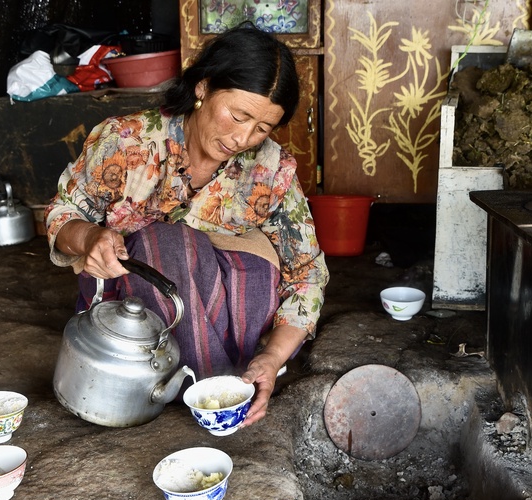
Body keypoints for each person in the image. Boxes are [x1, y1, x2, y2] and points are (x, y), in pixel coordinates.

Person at [45, 23, 329, 427]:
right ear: (203, 87)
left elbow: (308, 274)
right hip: (132, 302)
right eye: (238, 116)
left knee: (256, 271)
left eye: (262, 128)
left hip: (226, 308)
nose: (243, 138)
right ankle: (213, 385)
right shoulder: (126, 141)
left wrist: (272, 357)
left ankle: (207, 382)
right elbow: (63, 213)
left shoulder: (271, 169)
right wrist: (89, 237)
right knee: (166, 244)